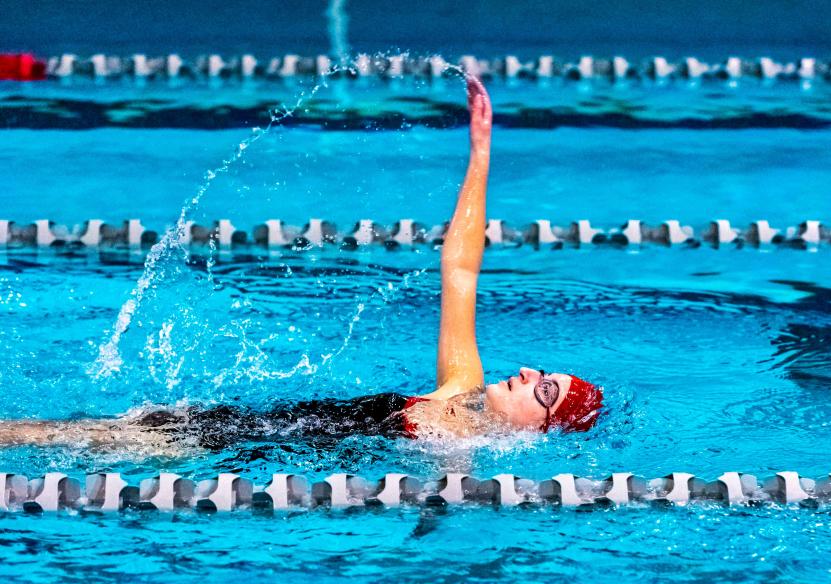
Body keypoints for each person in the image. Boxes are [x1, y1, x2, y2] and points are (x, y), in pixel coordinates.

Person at [0, 76, 602, 452]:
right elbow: (460, 271)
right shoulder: (460, 386)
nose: (527, 370)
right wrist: (480, 154)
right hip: (234, 427)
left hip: (210, 454)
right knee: (48, 431)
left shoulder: (457, 453)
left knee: (49, 437)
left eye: (544, 388)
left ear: (535, 429)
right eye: (543, 372)